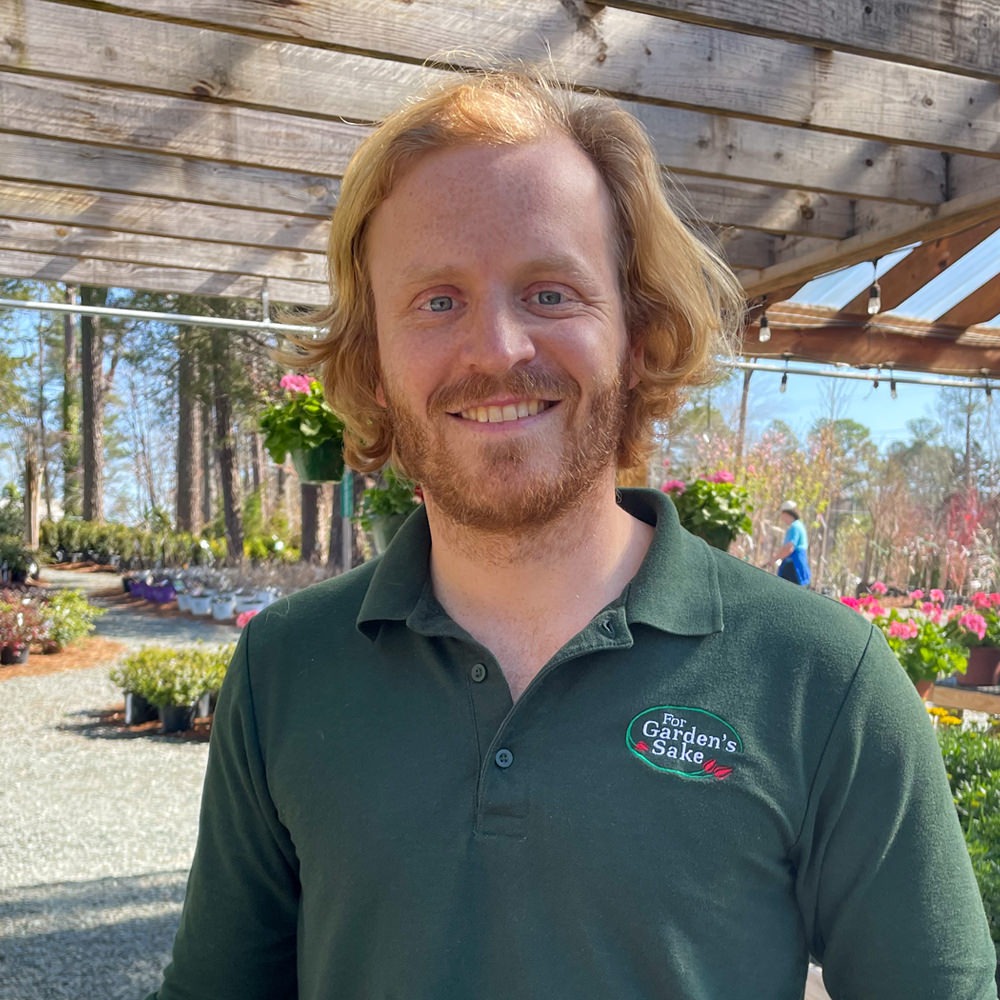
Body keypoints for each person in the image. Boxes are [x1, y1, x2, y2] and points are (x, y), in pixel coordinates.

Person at [146, 70, 997, 1000]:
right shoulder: (286, 670)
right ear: (375, 363)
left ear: (638, 334)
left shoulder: (821, 678)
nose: (498, 349)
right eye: (436, 300)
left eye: (550, 292)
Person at [777, 499, 811, 586]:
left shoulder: (795, 527)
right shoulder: (799, 525)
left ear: (786, 513)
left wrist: (775, 558)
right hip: (797, 565)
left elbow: (789, 548)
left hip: (794, 566)